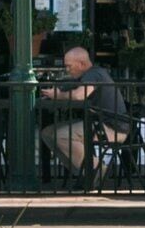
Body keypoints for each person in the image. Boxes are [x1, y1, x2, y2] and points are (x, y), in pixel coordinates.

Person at [40, 43, 134, 180]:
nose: (67, 70)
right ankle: (84, 173)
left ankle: (98, 171)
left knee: (59, 135)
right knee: (47, 133)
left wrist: (58, 95)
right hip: (100, 124)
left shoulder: (94, 74)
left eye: (69, 66)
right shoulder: (90, 75)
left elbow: (80, 95)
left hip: (112, 128)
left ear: (82, 64)